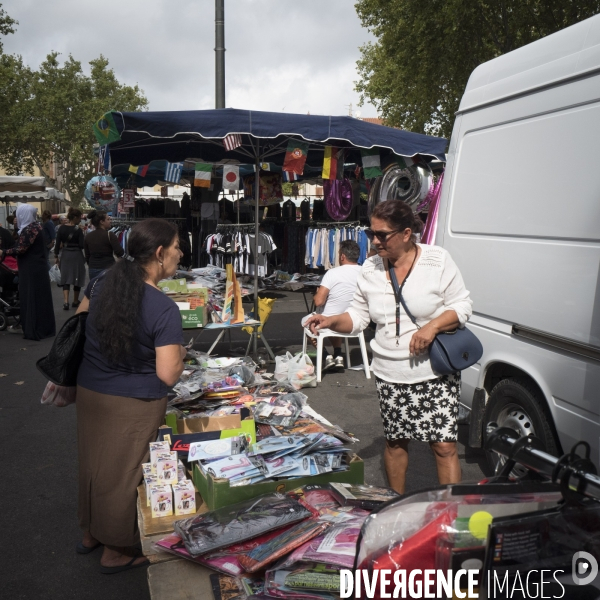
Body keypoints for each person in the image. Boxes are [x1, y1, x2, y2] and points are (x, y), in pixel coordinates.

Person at [306, 200, 473, 494]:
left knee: (444, 446)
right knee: (395, 444)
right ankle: (396, 505)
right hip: (389, 372)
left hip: (434, 370)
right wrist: (330, 320)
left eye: (382, 234)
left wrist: (432, 326)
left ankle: (450, 514)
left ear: (406, 233)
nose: (374, 241)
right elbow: (357, 318)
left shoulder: (437, 259)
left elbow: (462, 306)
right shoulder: (369, 268)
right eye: (372, 232)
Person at [74, 218, 185, 574]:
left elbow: (77, 328)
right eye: (177, 247)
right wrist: (182, 356)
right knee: (122, 475)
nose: (180, 254)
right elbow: (168, 373)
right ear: (158, 253)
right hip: (133, 403)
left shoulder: (101, 282)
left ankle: (91, 533)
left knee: (94, 464)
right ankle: (116, 549)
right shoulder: (163, 308)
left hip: (91, 391)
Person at [301, 240, 362, 371]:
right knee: (336, 314)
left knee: (306, 322)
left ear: (342, 256)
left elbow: (319, 302)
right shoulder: (364, 273)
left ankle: (326, 355)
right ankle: (338, 354)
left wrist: (317, 293)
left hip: (329, 322)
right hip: (355, 322)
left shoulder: (332, 273)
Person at [0, 204, 56, 339]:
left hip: (30, 269)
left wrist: (3, 252)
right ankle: (43, 327)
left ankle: (34, 329)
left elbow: (20, 248)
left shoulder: (30, 229)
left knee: (31, 297)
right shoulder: (35, 227)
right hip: (37, 267)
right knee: (39, 299)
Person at [54, 207, 86, 310]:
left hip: (66, 255)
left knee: (65, 278)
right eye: (79, 218)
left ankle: (66, 302)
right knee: (77, 277)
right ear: (75, 217)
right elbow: (82, 245)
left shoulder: (61, 228)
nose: (80, 220)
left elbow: (57, 243)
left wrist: (56, 256)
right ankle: (75, 301)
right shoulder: (78, 230)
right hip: (76, 255)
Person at [84, 210, 125, 281]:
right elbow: (119, 252)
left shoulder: (88, 236)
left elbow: (87, 255)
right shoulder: (110, 235)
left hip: (93, 268)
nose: (110, 221)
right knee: (108, 290)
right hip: (108, 267)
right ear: (102, 222)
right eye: (108, 219)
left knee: (95, 289)